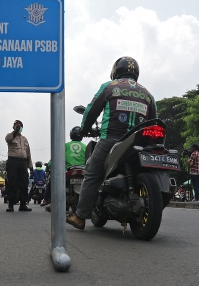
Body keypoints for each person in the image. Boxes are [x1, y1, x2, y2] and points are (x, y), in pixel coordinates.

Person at [66, 56, 157, 230]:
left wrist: (84, 130)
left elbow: (91, 111)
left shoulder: (109, 87)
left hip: (112, 140)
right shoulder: (147, 93)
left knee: (92, 172)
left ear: (116, 70)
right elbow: (153, 120)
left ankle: (80, 216)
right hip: (141, 143)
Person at [42, 127, 87, 209]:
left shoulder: (65, 146)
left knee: (56, 185)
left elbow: (58, 158)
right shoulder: (85, 146)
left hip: (69, 170)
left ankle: (53, 203)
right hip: (83, 170)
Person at [5, 120, 33, 212]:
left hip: (23, 163)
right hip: (13, 162)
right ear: (13, 127)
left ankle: (23, 205)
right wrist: (15, 131)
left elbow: (28, 153)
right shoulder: (10, 136)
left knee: (24, 184)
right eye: (17, 125)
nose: (18, 127)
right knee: (12, 183)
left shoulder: (25, 139)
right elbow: (8, 139)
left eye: (20, 126)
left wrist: (31, 167)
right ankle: (11, 205)